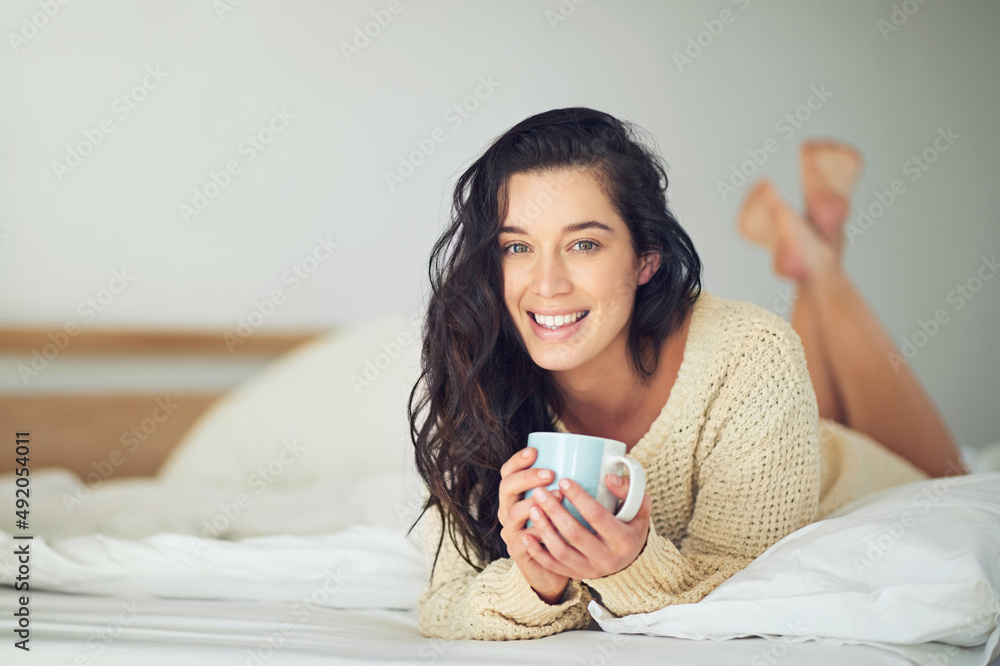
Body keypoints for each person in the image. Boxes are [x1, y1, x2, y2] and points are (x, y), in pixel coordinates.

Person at [406, 107, 967, 641]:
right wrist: (537, 585)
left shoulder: (750, 353)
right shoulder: (474, 365)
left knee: (953, 473)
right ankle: (816, 254)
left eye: (584, 244)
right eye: (518, 246)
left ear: (644, 259)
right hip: (773, 432)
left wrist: (629, 566)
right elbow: (442, 604)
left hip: (858, 474)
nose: (547, 283)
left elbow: (743, 584)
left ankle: (820, 267)